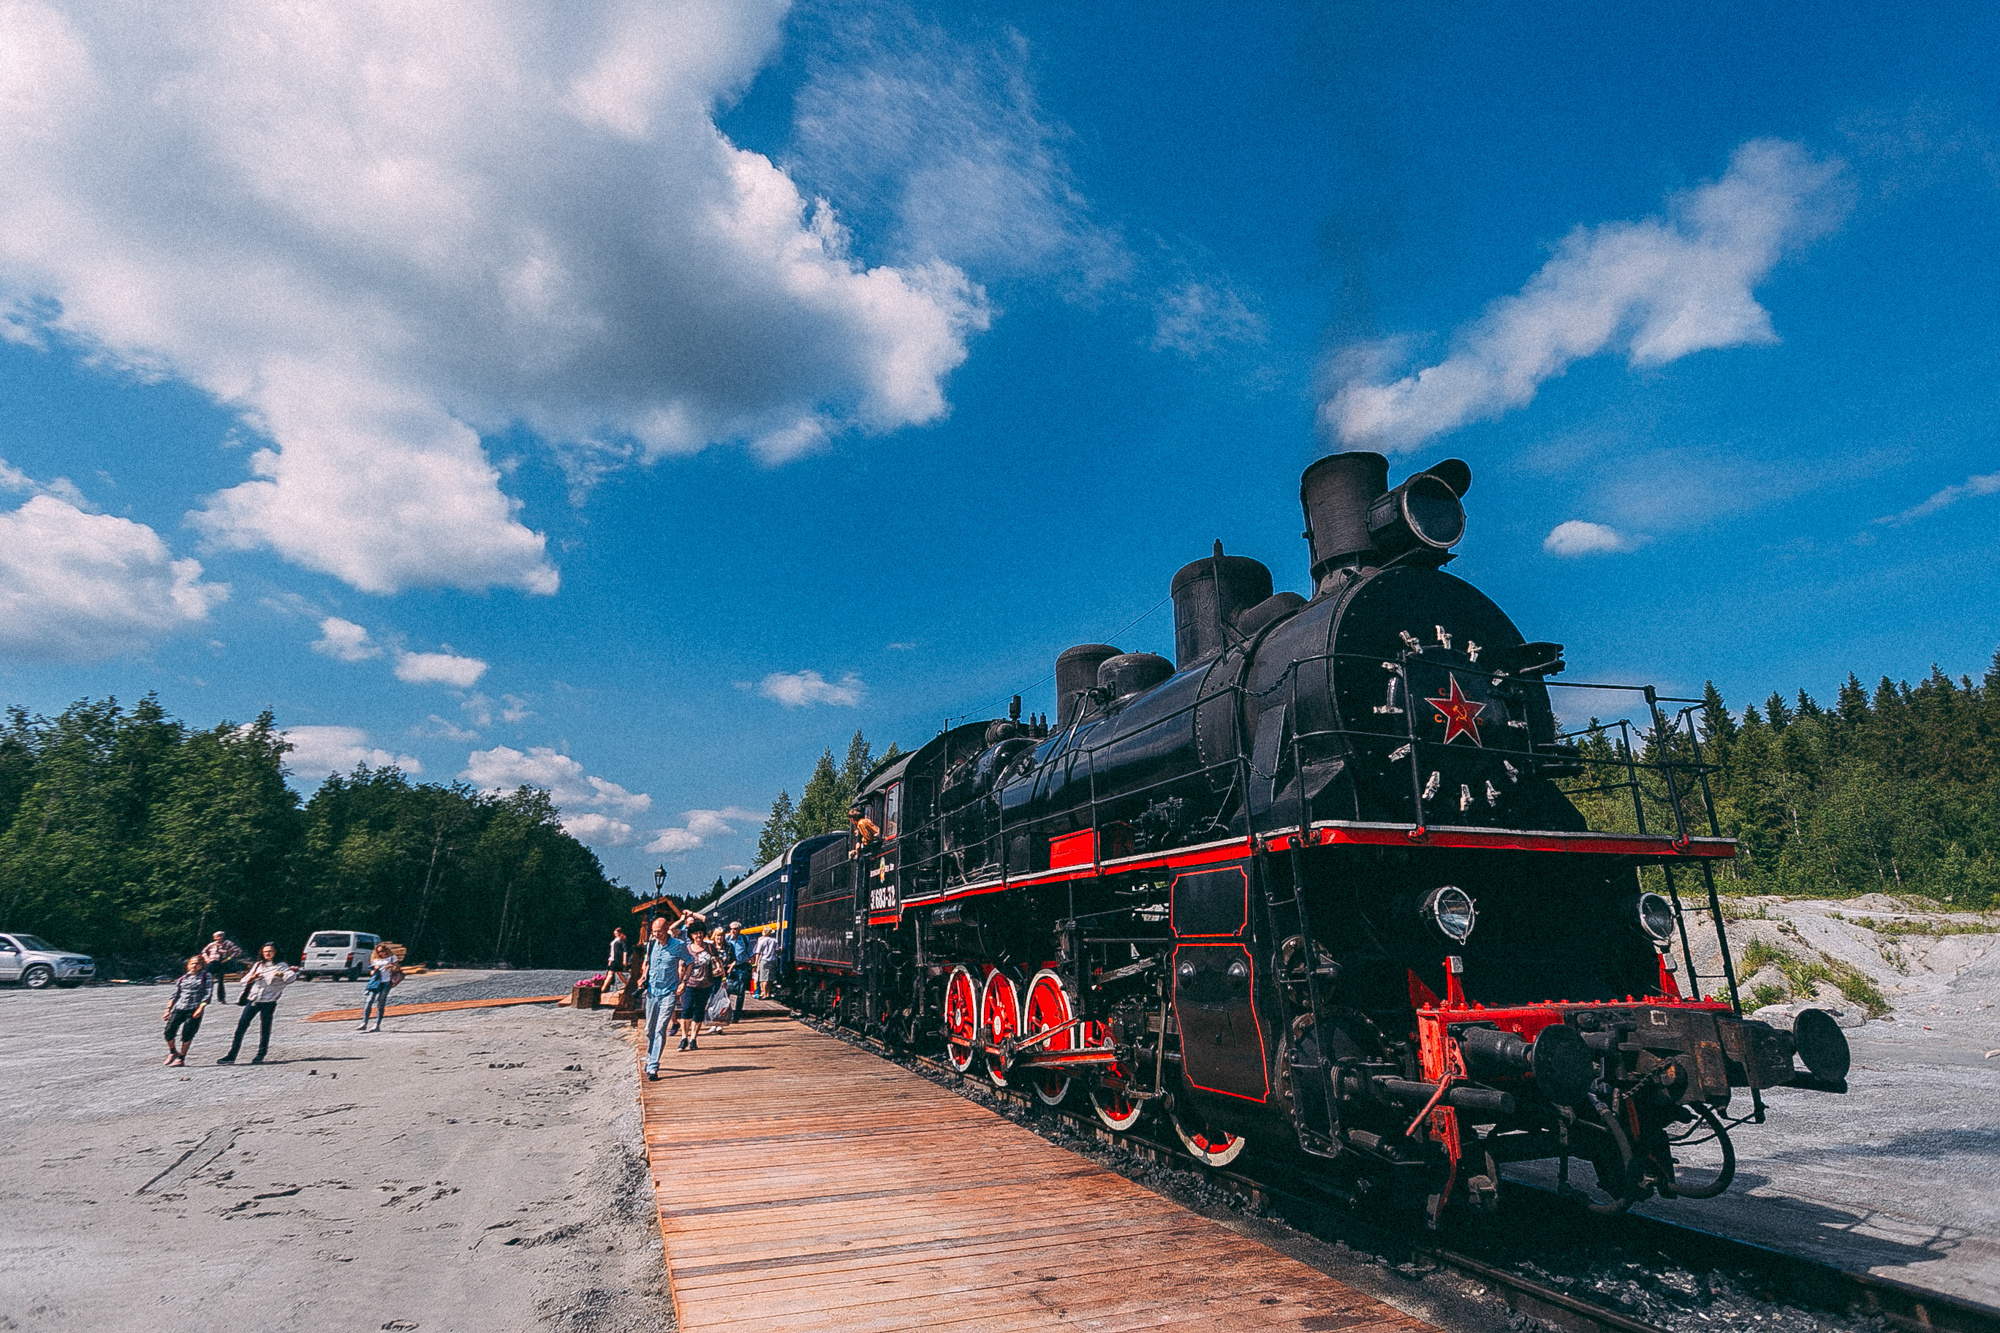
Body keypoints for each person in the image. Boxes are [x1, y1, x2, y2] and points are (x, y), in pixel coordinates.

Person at [217, 943, 299, 1065]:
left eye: (270, 951)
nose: (268, 953)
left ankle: (260, 1054)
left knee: (265, 1028)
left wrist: (281, 975)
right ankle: (231, 1055)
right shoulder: (258, 965)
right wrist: (253, 977)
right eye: (265, 951)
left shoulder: (281, 966)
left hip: (269, 1001)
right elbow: (243, 981)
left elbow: (291, 978)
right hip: (254, 1000)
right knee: (241, 1027)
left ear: (276, 952)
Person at [638, 916, 681, 1081]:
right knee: (649, 1029)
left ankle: (654, 1066)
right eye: (654, 932)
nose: (656, 934)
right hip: (652, 992)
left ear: (666, 929)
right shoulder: (650, 945)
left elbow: (689, 961)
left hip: (669, 993)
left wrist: (683, 982)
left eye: (659, 932)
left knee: (660, 1029)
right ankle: (649, 1058)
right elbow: (647, 963)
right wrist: (643, 976)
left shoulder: (678, 946)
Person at [161, 955, 211, 1066]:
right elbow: (175, 995)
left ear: (201, 965)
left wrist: (201, 1008)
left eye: (197, 963)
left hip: (194, 1009)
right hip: (180, 1007)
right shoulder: (182, 978)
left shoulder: (206, 976)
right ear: (188, 965)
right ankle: (173, 1051)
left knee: (187, 1033)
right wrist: (167, 1010)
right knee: (169, 1031)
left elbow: (207, 994)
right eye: (192, 963)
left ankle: (181, 1057)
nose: (194, 965)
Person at [675, 932, 719, 1052]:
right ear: (691, 935)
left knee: (699, 1011)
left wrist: (723, 977)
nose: (698, 935)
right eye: (695, 933)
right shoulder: (687, 949)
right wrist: (680, 982)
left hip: (706, 984)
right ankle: (684, 1037)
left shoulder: (710, 947)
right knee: (687, 1009)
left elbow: (718, 962)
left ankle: (693, 1039)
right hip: (689, 983)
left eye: (700, 933)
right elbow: (681, 967)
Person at [358, 943, 398, 1032]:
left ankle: (377, 1024)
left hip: (386, 982)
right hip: (376, 983)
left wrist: (390, 966)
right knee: (369, 1001)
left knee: (381, 1002)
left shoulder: (392, 958)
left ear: (386, 950)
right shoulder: (375, 960)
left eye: (382, 951)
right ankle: (364, 1022)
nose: (380, 953)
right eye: (378, 952)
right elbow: (371, 973)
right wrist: (375, 969)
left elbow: (397, 968)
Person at [200, 931, 242, 1003]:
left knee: (220, 980)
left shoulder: (228, 943)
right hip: (212, 962)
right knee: (206, 978)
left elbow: (238, 951)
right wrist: (206, 958)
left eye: (220, 936)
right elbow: (204, 951)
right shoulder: (211, 944)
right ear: (214, 937)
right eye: (217, 936)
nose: (219, 937)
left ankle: (221, 998)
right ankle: (205, 997)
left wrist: (228, 958)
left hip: (221, 962)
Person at [723, 921, 753, 1021]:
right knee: (727, 991)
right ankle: (728, 1012)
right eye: (731, 929)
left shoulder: (744, 939)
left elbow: (749, 951)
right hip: (729, 968)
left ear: (739, 930)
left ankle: (737, 1016)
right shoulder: (726, 939)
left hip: (742, 967)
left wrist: (753, 965)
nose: (733, 931)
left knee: (740, 992)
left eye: (735, 929)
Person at [751, 929, 778, 998]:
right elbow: (777, 950)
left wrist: (756, 962)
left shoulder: (761, 941)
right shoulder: (774, 940)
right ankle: (768, 993)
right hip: (772, 960)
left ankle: (764, 993)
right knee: (770, 978)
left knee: (763, 978)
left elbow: (758, 952)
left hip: (764, 960)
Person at [605, 926, 630, 995]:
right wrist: (610, 959)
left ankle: (603, 988)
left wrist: (624, 960)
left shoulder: (622, 940)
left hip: (617, 959)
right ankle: (627, 984)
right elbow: (612, 951)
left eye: (616, 933)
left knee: (611, 973)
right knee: (618, 973)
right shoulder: (615, 940)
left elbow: (625, 951)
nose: (615, 934)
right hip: (613, 958)